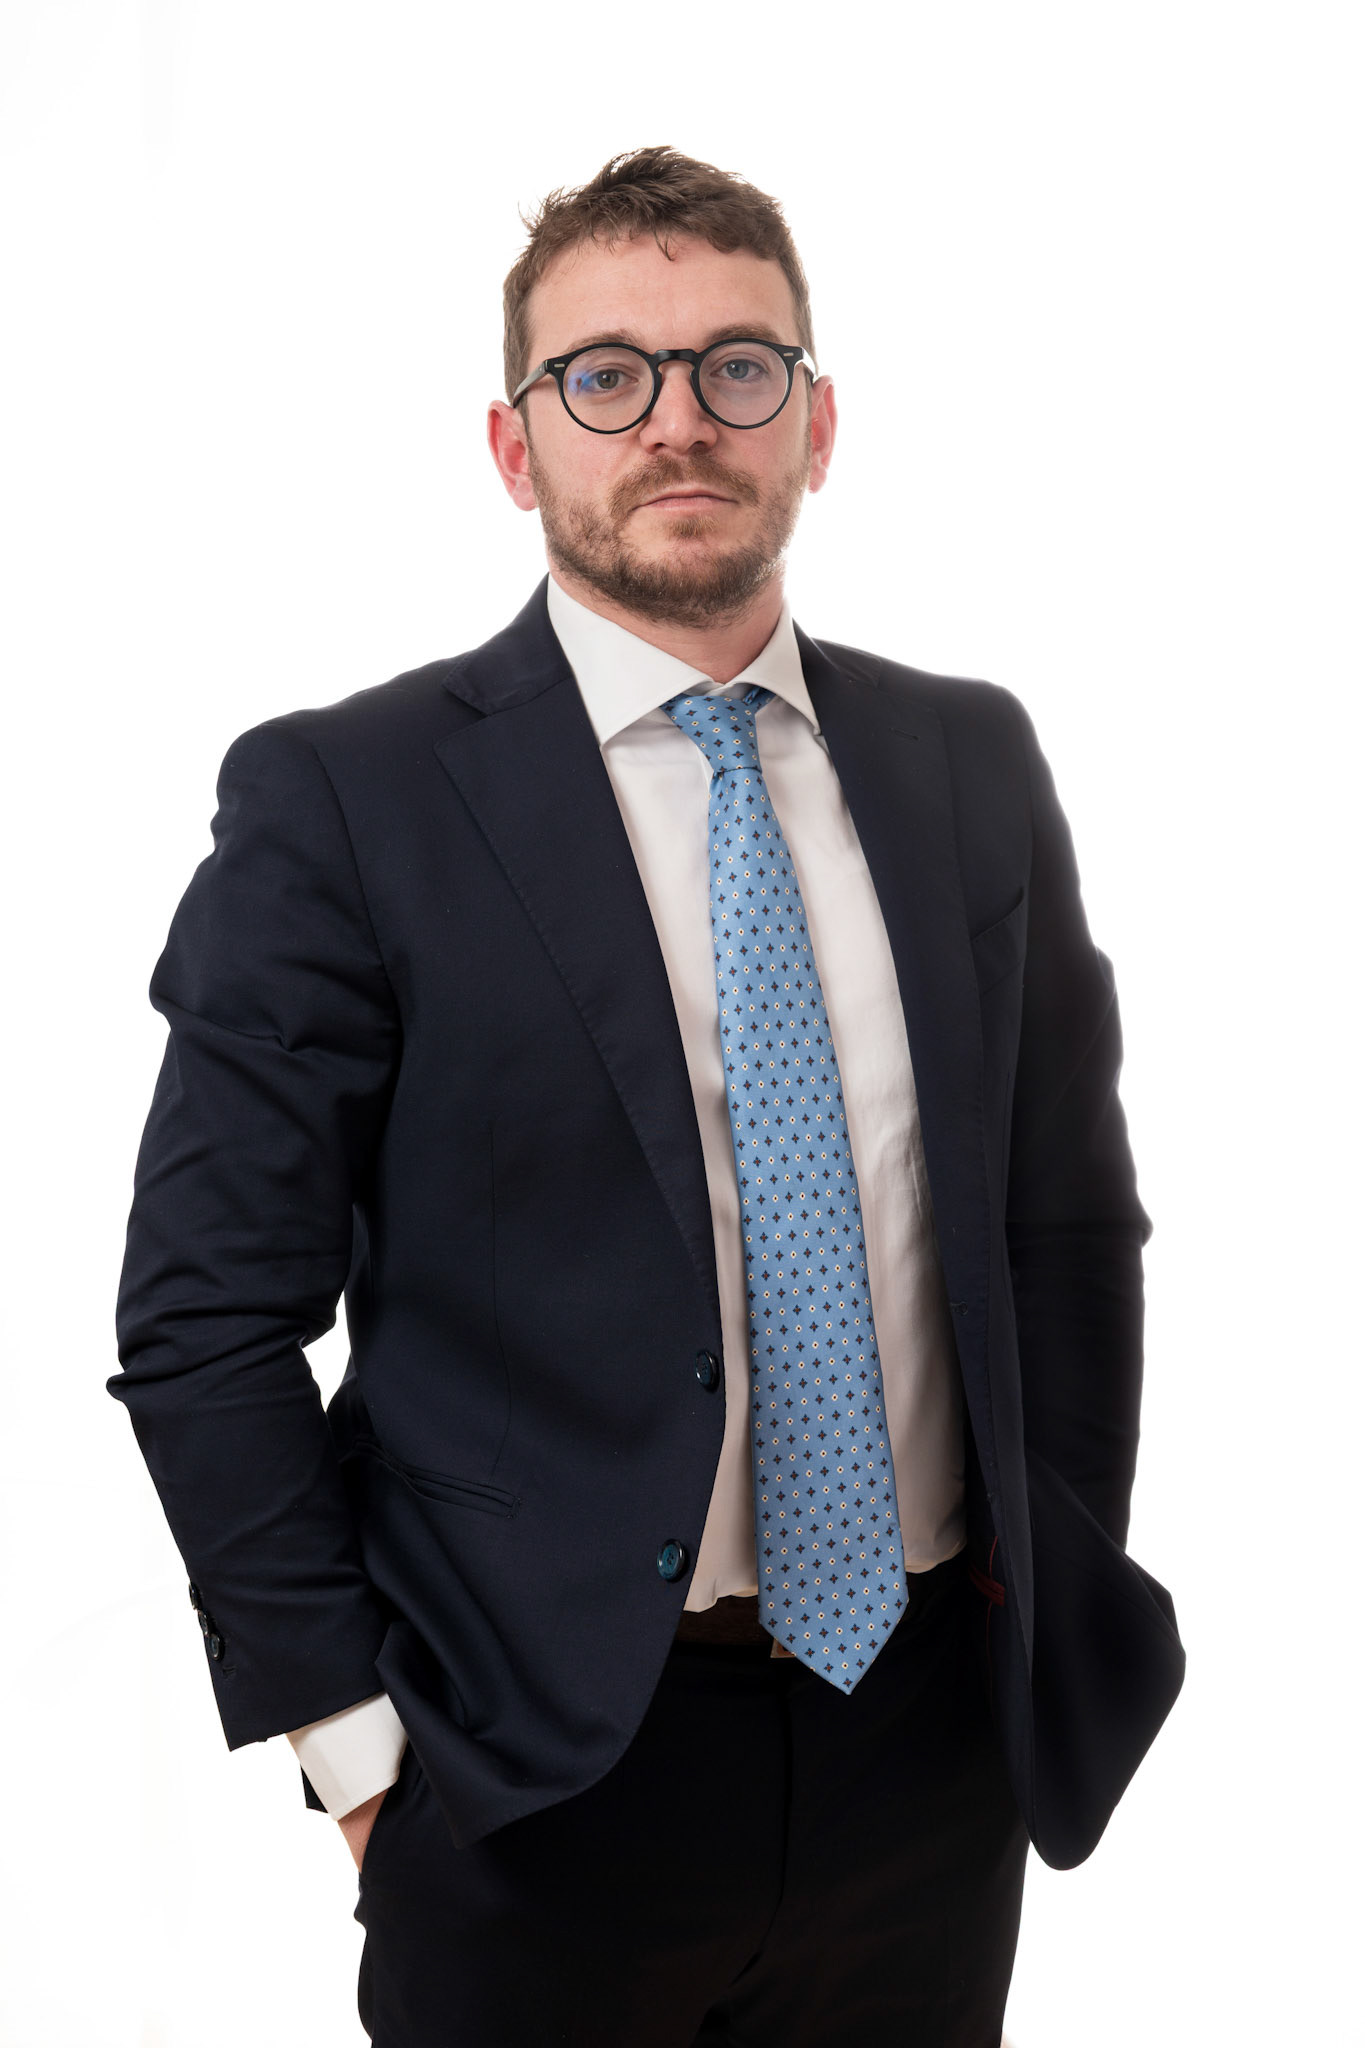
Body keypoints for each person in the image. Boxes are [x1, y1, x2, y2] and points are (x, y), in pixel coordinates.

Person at [110, 146, 1185, 2046]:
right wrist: (358, 1755)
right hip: (532, 1777)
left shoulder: (965, 760)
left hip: (926, 1751)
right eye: (604, 375)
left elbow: (1063, 1228)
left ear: (816, 425)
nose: (676, 420)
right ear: (514, 447)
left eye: (735, 368)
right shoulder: (348, 801)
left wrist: (1036, 1586)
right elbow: (207, 1317)